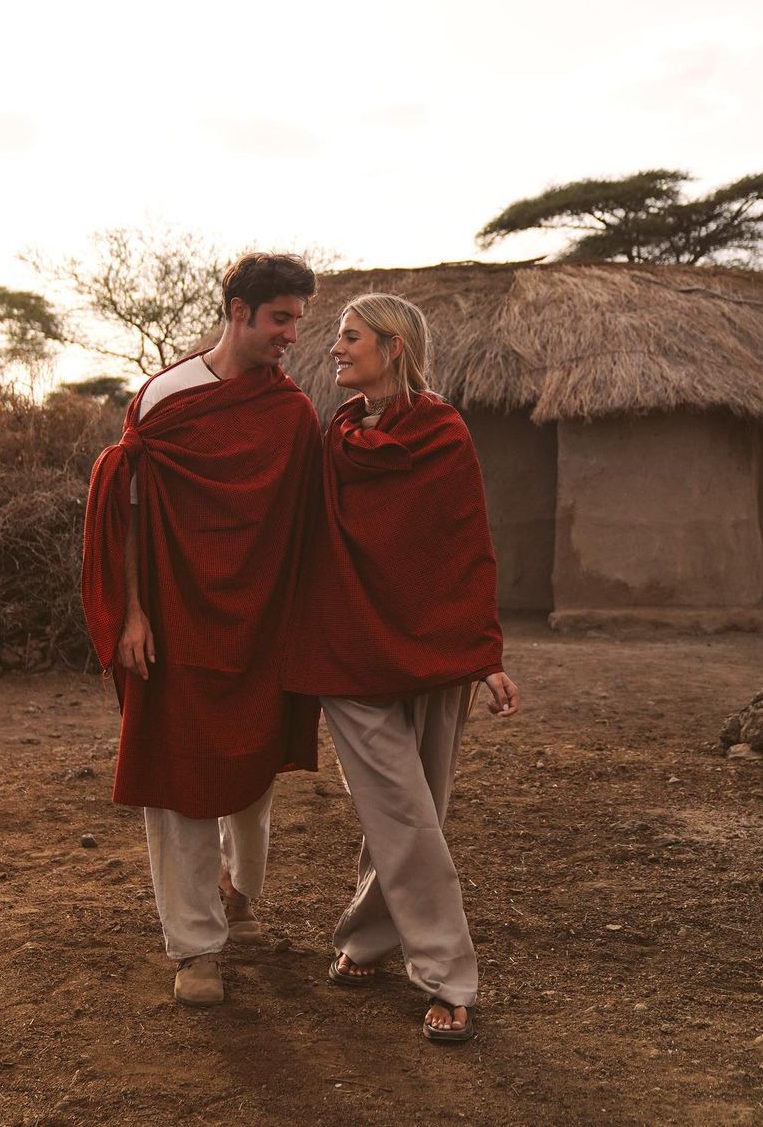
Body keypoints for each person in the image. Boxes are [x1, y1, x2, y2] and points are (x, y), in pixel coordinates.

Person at [82, 253, 322, 1007]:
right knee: (178, 775)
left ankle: (240, 898)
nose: (290, 334)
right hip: (176, 621)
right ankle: (194, 948)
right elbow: (126, 507)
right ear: (238, 311)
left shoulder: (292, 413)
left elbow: (310, 522)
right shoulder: (166, 397)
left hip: (259, 624)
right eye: (279, 318)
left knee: (252, 769)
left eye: (297, 320)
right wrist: (131, 613)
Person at [284, 292, 520, 1043]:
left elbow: (464, 547)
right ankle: (449, 974)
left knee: (418, 809)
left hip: (433, 650)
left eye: (350, 338)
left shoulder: (443, 434)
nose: (334, 349)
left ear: (392, 347)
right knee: (403, 811)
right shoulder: (335, 437)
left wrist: (484, 656)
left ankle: (364, 939)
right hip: (346, 651)